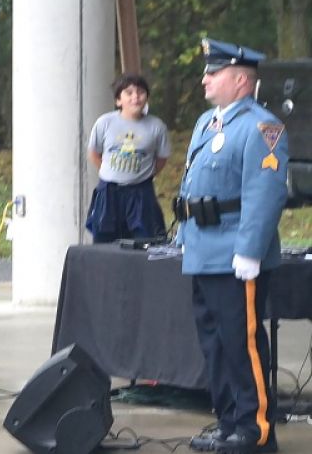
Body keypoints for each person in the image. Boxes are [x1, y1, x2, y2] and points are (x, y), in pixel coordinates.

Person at [176, 38, 288, 454]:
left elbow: (266, 192)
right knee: (215, 344)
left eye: (214, 72)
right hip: (203, 248)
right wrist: (184, 238)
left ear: (240, 79)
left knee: (243, 345)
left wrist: (251, 250)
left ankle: (255, 430)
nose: (204, 78)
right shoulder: (208, 123)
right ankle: (228, 423)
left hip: (235, 252)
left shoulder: (263, 127)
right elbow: (193, 185)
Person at [85, 73, 170, 243]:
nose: (135, 97)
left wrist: (144, 175)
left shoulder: (157, 126)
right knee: (105, 242)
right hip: (109, 192)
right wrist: (110, 171)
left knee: (146, 240)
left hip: (141, 193)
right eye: (129, 93)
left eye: (140, 92)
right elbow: (94, 153)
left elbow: (161, 159)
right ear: (118, 100)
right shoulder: (105, 123)